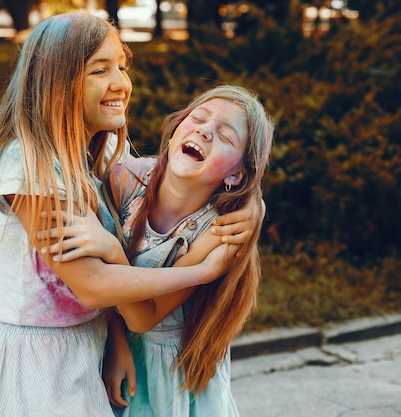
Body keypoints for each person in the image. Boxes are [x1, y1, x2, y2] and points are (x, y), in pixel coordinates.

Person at [0, 12, 258, 417]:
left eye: (122, 67)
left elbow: (167, 180)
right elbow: (91, 284)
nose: (120, 83)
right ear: (58, 82)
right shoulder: (27, 166)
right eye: (100, 69)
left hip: (86, 353)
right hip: (39, 365)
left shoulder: (97, 155)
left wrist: (252, 200)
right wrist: (204, 271)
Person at [44, 85, 274, 416]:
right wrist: (117, 341)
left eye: (226, 137)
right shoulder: (126, 180)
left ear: (236, 174)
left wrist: (111, 249)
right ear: (178, 127)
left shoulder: (219, 231)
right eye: (198, 118)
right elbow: (102, 287)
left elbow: (143, 316)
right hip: (110, 347)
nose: (205, 131)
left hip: (170, 374)